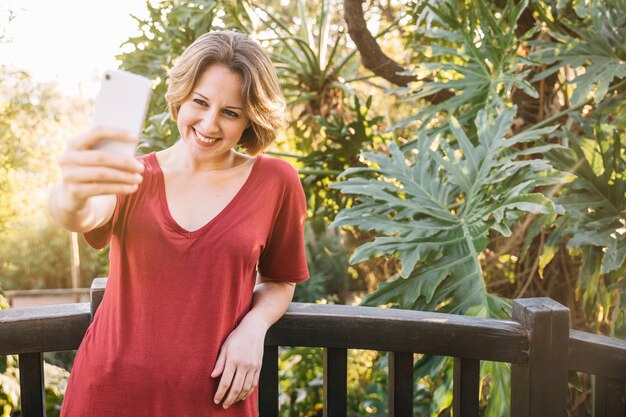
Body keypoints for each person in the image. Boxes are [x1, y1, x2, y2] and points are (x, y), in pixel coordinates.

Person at [49, 30, 309, 417]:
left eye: (230, 112)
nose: (209, 124)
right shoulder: (131, 174)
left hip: (216, 401)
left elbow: (280, 280)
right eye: (200, 102)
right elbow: (80, 214)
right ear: (181, 97)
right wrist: (71, 188)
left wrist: (254, 328)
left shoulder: (277, 182)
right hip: (107, 395)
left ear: (249, 119)